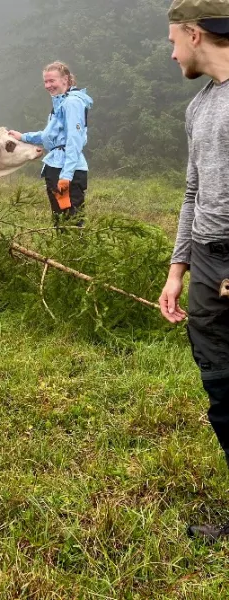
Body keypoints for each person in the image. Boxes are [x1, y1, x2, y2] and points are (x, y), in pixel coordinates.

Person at [159, 0, 229, 542]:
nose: (171, 51)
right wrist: (178, 267)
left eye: (172, 40)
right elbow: (193, 191)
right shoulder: (199, 107)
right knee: (221, 384)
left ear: (193, 33)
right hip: (207, 260)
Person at [9, 62, 93, 228]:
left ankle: (74, 252)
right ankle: (62, 252)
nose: (48, 86)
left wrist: (66, 176)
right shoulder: (60, 102)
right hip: (55, 166)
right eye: (45, 82)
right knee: (60, 219)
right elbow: (51, 135)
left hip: (66, 169)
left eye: (52, 81)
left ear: (65, 79)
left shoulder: (72, 103)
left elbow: (73, 141)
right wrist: (23, 137)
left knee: (71, 219)